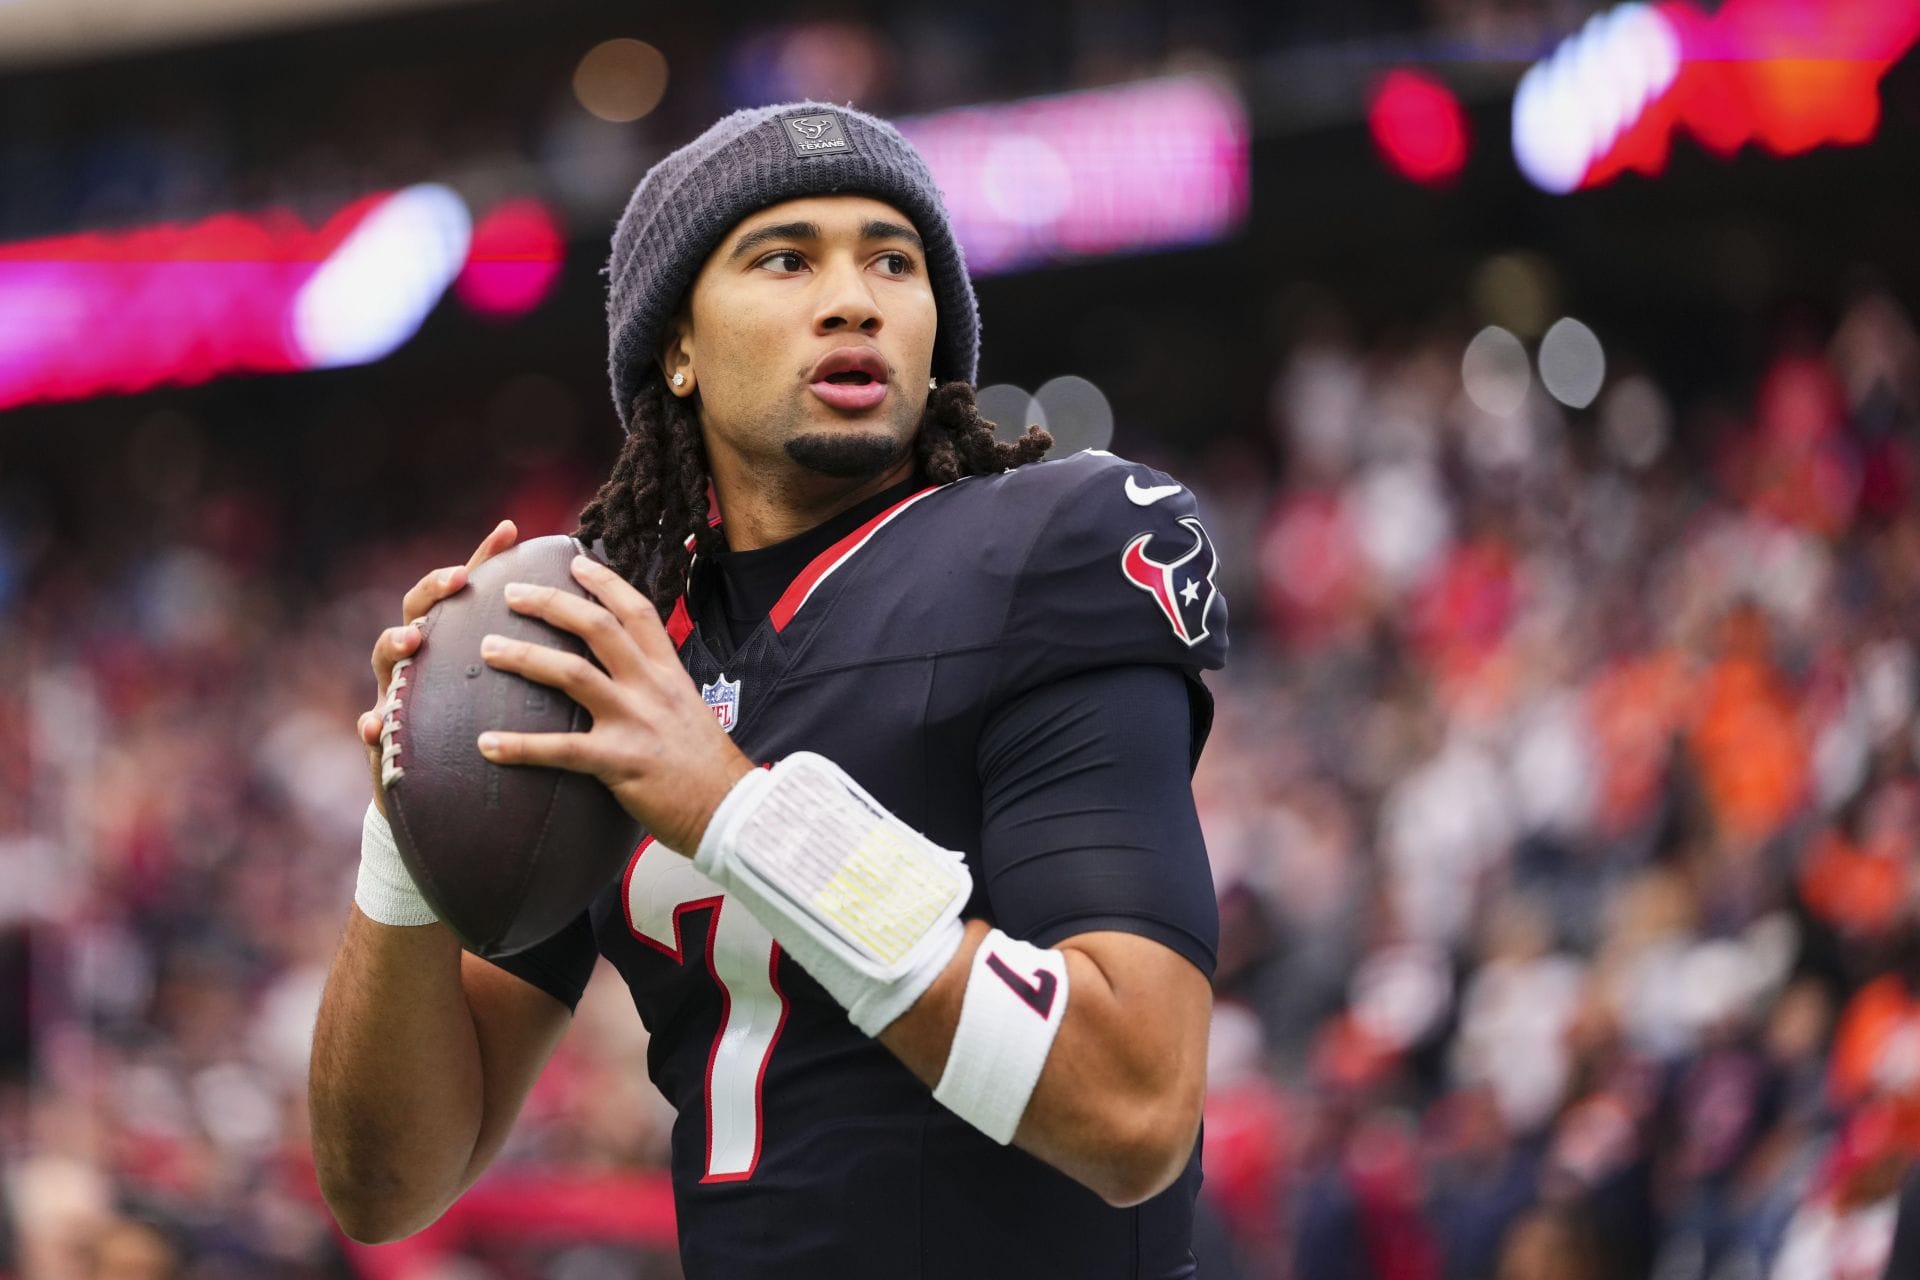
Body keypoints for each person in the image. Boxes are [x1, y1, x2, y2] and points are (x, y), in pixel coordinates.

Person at [309, 101, 1228, 1279]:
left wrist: (736, 809)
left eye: (892, 261)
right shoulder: (609, 647)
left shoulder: (1056, 545)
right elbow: (384, 1184)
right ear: (678, 351)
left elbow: (1136, 1107)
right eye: (785, 258)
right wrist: (406, 821)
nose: (853, 299)